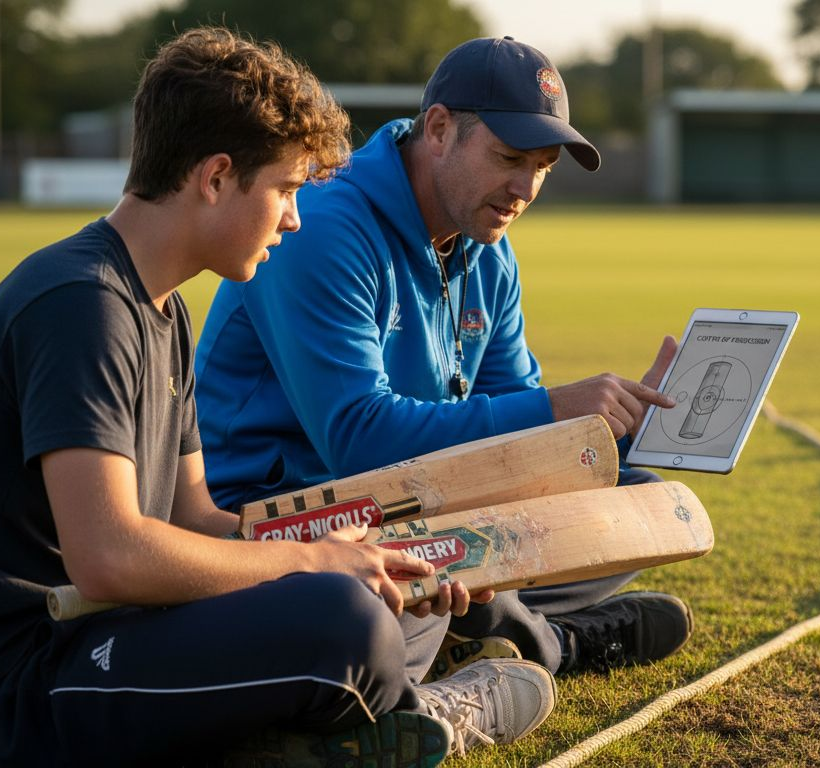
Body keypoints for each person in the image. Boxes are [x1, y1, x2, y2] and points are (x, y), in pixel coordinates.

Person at [0, 27, 552, 768]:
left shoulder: (162, 306)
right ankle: (417, 711)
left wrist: (350, 553)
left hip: (109, 630)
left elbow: (194, 517)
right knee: (345, 622)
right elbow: (108, 557)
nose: (295, 218)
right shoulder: (81, 304)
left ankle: (305, 735)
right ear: (214, 177)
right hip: (23, 683)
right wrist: (311, 568)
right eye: (285, 188)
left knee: (377, 591)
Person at [194, 36, 693, 680]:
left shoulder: (488, 249)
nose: (525, 188)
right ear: (437, 130)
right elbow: (357, 439)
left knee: (637, 502)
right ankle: (554, 644)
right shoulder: (321, 225)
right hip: (295, 513)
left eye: (543, 166)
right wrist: (554, 408)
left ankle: (485, 622)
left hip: (413, 503)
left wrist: (613, 434)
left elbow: (517, 444)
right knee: (406, 582)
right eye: (509, 157)